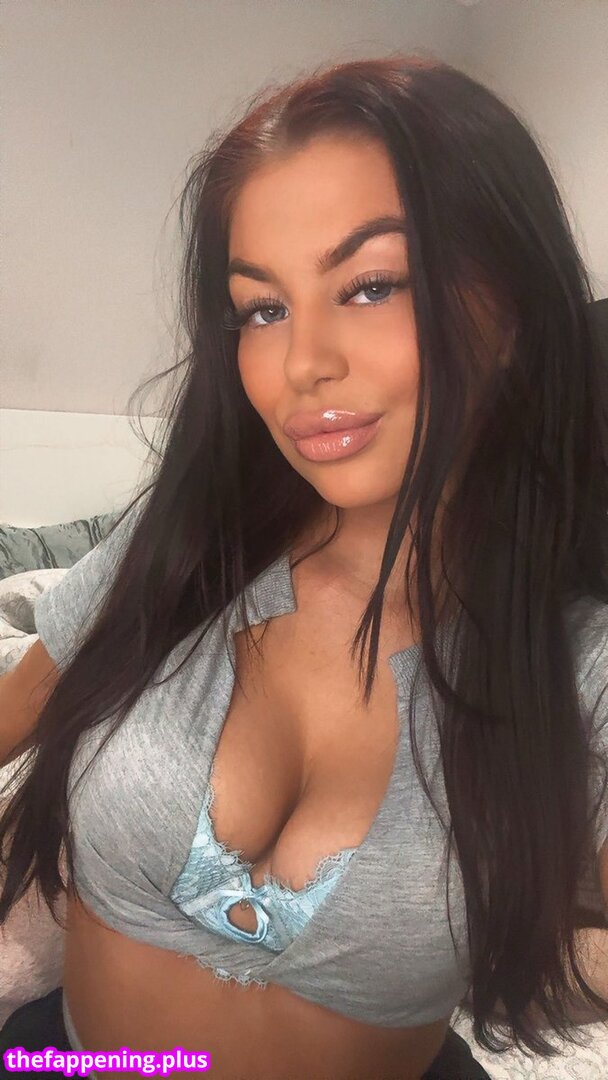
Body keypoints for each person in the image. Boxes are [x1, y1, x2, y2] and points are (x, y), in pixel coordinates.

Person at [1, 53, 608, 1080]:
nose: (301, 365)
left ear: (509, 308)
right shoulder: (181, 547)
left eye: (370, 286)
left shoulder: (576, 666)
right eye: (263, 309)